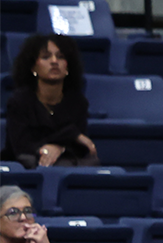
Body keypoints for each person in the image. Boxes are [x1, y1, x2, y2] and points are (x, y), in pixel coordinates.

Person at [4, 35, 96, 168]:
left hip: (65, 168)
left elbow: (82, 148)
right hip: (23, 174)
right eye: (46, 57)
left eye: (60, 57)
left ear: (68, 67)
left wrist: (60, 148)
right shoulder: (19, 102)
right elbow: (21, 147)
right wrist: (69, 136)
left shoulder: (77, 102)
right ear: (33, 67)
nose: (54, 61)